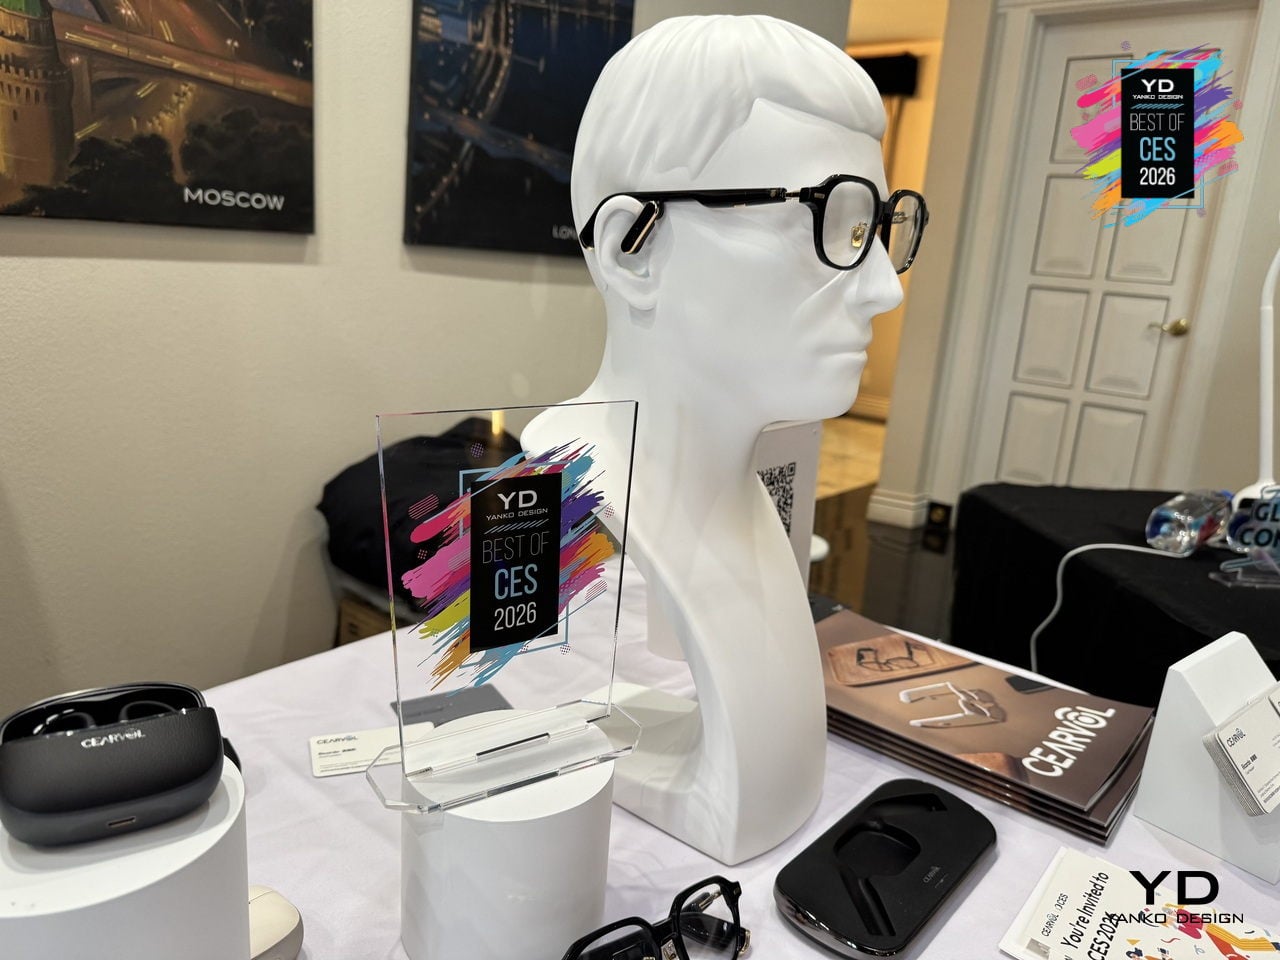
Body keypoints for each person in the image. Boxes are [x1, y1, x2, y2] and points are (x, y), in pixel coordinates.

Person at [526, 14, 927, 864]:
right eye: (832, 219)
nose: (885, 290)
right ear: (633, 252)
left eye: (875, 226)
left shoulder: (746, 496)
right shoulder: (594, 473)